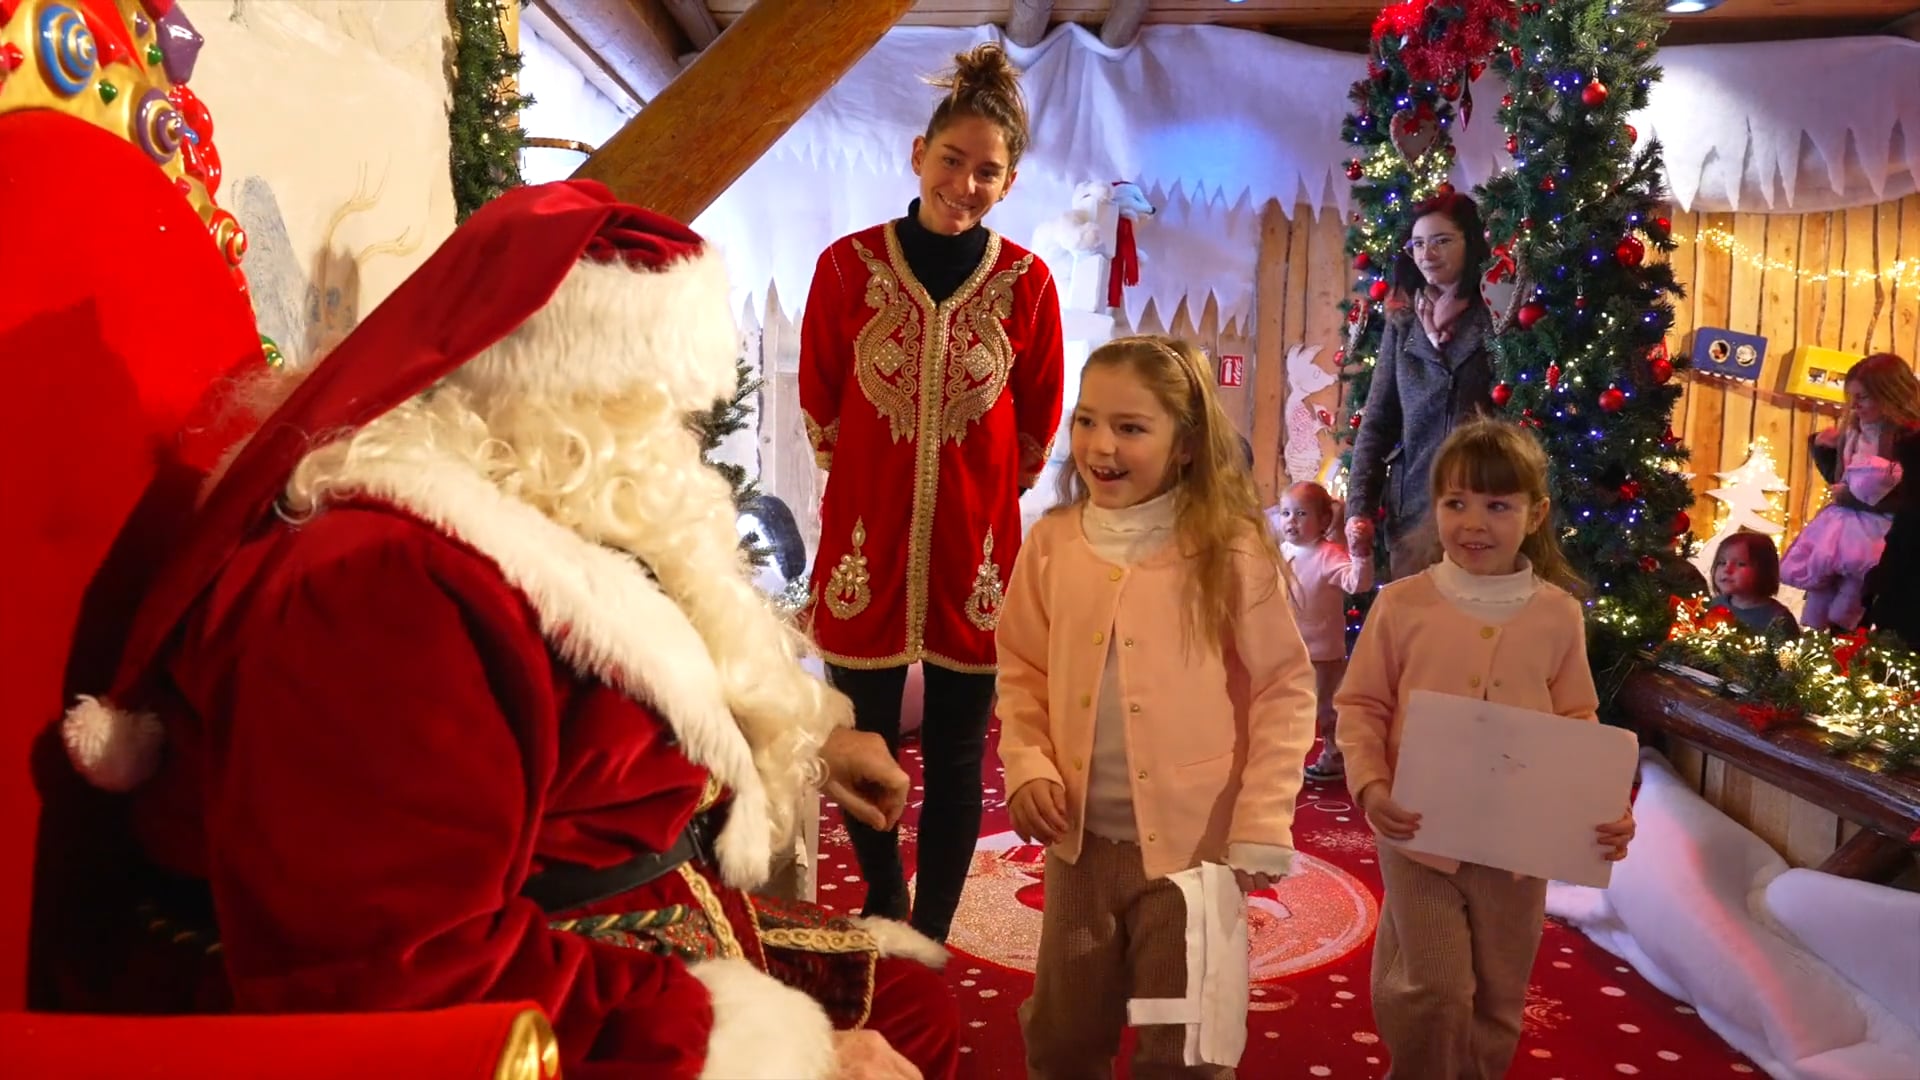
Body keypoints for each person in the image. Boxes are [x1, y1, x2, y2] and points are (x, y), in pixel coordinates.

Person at [60, 182, 959, 1080]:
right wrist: (786, 1056)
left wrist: (813, 743)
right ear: (560, 395)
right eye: (654, 404)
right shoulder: (382, 588)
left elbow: (646, 694)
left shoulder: (542, 516)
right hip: (506, 990)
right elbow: (391, 971)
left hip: (614, 909)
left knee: (912, 1005)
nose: (675, 442)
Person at [798, 42, 1065, 944]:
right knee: (860, 746)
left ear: (1010, 180)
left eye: (988, 171)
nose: (967, 181)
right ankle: (883, 900)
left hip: (977, 558)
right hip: (863, 547)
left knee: (957, 757)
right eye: (953, 160)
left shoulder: (1028, 285)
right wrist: (884, 478)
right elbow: (823, 406)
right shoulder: (844, 270)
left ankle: (936, 927)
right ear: (919, 155)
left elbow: (1035, 428)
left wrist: (974, 494)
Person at [995, 335, 1318, 1079]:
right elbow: (1021, 667)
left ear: (1184, 446)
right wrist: (1028, 761)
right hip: (1080, 849)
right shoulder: (1051, 543)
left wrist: (1264, 818)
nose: (1100, 445)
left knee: (1185, 1045)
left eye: (1131, 428)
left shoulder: (1229, 548)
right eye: (1086, 420)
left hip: (1198, 859)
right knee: (1065, 1034)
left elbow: (1283, 688)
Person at [1335, 418, 1635, 1079]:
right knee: (1434, 989)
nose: (1473, 522)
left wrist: (1601, 809)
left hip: (1517, 849)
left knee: (1498, 998)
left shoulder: (1556, 613)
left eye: (1497, 505)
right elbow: (1360, 706)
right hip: (1420, 835)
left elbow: (1577, 718)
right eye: (1456, 502)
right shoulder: (1403, 605)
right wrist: (1371, 784)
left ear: (1536, 515)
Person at [1346, 192, 1497, 581]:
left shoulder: (1497, 316)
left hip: (1485, 510)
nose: (1427, 253)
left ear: (1472, 241)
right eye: (1417, 243)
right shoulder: (1403, 323)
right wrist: (1358, 509)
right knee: (1414, 629)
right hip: (1412, 509)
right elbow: (1378, 420)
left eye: (1442, 240)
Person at [1781, 352, 1920, 631]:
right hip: (1845, 527)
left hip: (1879, 535)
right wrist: (1821, 448)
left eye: (1863, 397)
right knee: (1821, 590)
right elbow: (1842, 480)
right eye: (1852, 397)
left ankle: (1839, 639)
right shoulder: (1855, 431)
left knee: (1853, 595)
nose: (1855, 405)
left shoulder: (1908, 440)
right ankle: (1813, 638)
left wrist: (1856, 500)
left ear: (1890, 395)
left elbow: (1902, 499)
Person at [1269, 482, 1373, 781]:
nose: (1291, 521)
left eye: (1301, 513)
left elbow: (1359, 583)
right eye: (1286, 513)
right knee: (1287, 706)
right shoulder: (1282, 551)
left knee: (1326, 708)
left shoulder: (1329, 555)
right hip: (1288, 648)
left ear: (1324, 521)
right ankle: (1284, 759)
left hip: (1323, 652)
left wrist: (1361, 554)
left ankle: (1334, 753)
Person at [1705, 531, 1798, 635]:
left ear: (1763, 570)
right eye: (1722, 562)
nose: (1727, 569)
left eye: (1741, 564)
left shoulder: (1779, 619)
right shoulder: (1715, 605)